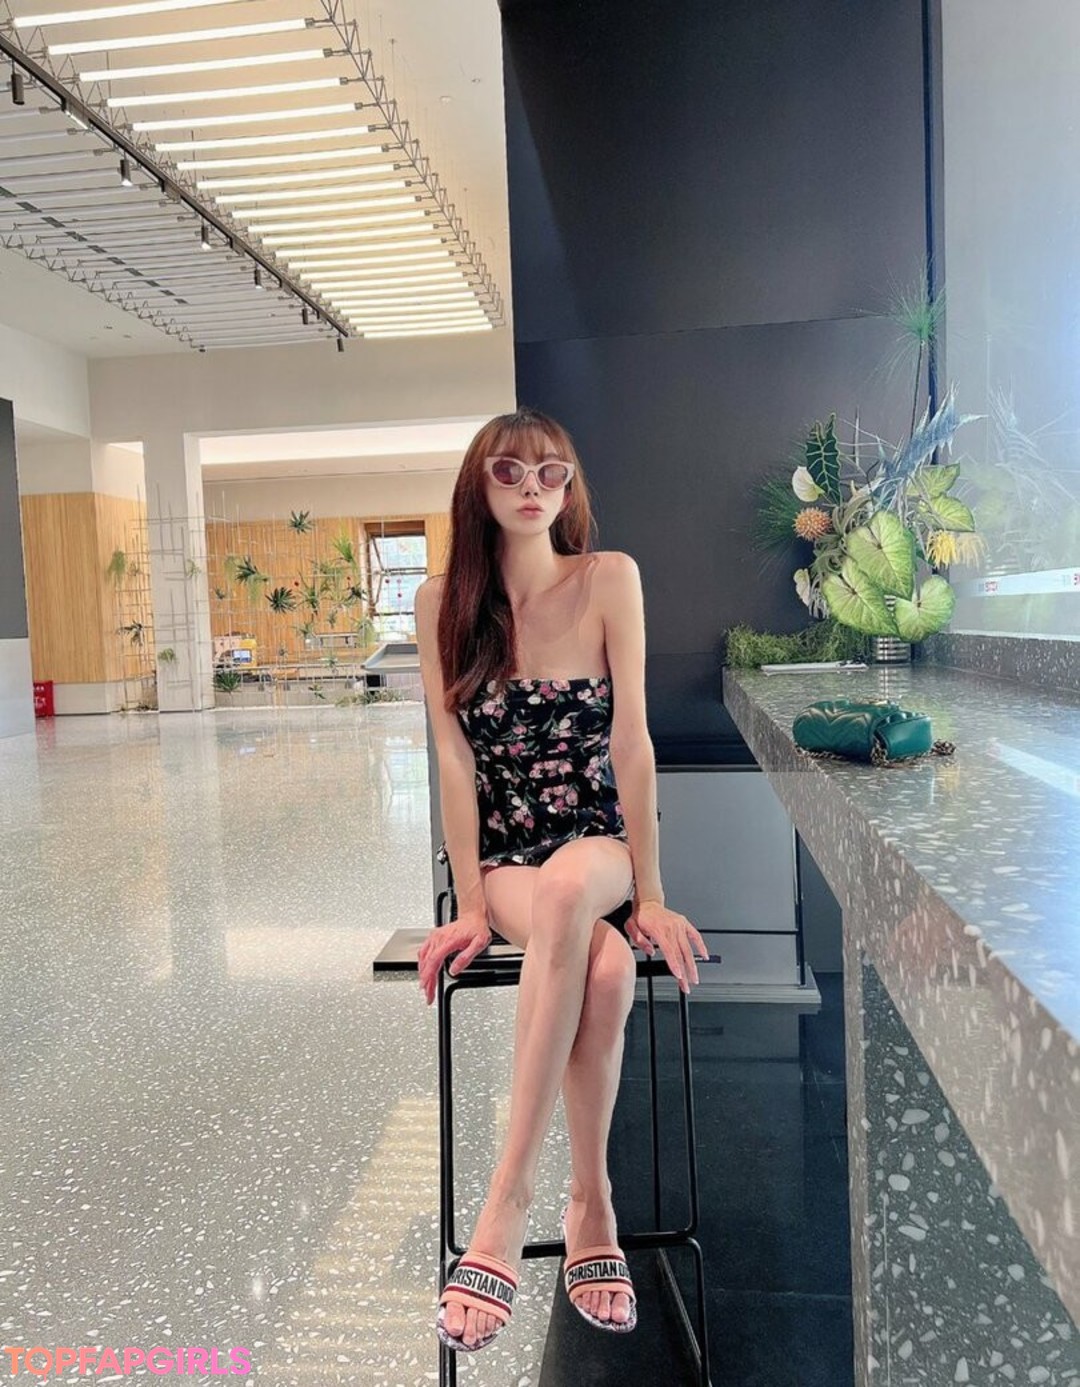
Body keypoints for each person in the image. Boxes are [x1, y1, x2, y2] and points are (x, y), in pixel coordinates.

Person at [414, 406, 708, 1354]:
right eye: (510, 471)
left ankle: (505, 1200)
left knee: (572, 889)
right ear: (479, 486)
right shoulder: (442, 603)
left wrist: (651, 892)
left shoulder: (608, 578)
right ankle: (592, 1201)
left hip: (597, 845)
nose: (534, 487)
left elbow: (633, 743)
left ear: (570, 488)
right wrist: (469, 901)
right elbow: (453, 758)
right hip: (507, 858)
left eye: (552, 473)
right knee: (607, 969)